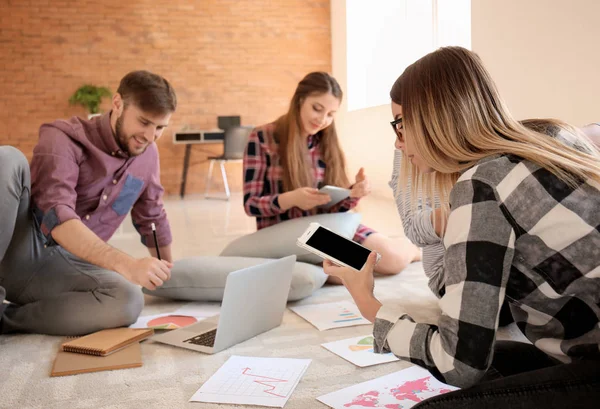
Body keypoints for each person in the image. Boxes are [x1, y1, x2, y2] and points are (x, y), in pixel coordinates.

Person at [325, 47, 600, 408]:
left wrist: (369, 303)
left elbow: (459, 364)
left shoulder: (481, 186)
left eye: (401, 124)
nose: (397, 141)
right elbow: (474, 315)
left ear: (434, 117)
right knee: (496, 355)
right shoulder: (553, 136)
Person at [0, 70, 176, 336]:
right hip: (23, 248)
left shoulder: (148, 153)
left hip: (67, 269)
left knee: (128, 300)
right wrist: (128, 265)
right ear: (117, 104)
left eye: (160, 128)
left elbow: (152, 216)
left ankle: (7, 321)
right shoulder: (62, 137)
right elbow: (56, 218)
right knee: (8, 158)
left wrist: (166, 275)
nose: (150, 137)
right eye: (144, 122)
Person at [242, 71, 420, 276]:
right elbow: (251, 204)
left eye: (330, 114)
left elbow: (333, 207)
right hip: (288, 235)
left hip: (326, 230)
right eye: (317, 109)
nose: (322, 119)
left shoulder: (324, 141)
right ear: (299, 101)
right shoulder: (262, 137)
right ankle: (399, 246)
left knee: (390, 259)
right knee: (350, 270)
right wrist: (291, 199)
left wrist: (352, 194)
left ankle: (411, 249)